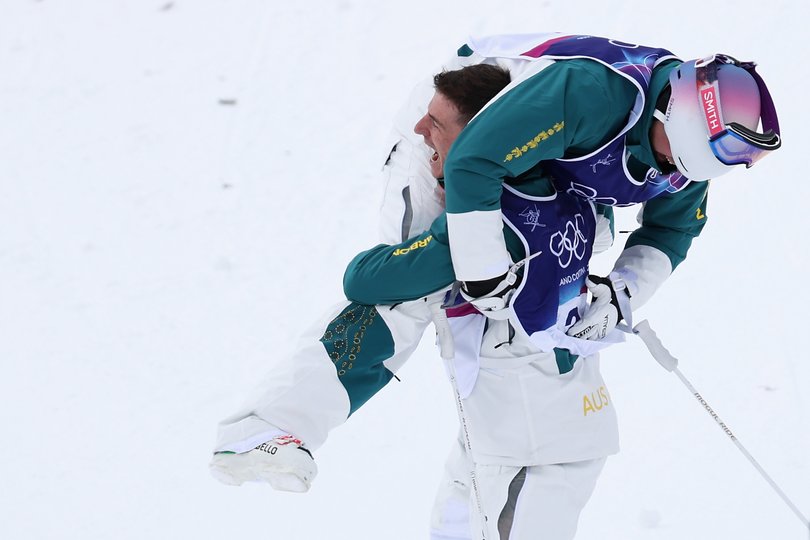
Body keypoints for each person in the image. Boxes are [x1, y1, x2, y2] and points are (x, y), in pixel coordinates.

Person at [210, 32, 780, 539]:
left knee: (537, 320)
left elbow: (672, 229)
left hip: (537, 169)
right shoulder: (591, 95)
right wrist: (478, 260)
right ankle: (269, 425)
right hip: (459, 125)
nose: (696, 175)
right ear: (672, 118)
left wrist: (619, 296)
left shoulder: (686, 159)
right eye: (718, 155)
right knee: (411, 289)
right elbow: (473, 163)